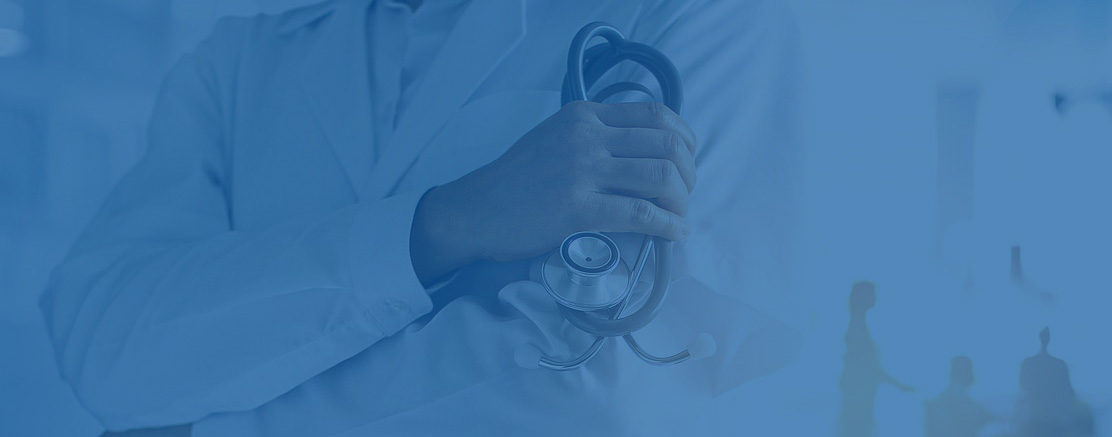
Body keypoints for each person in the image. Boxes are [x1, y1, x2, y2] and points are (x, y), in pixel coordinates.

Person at [37, 0, 802, 434]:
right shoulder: (240, 56)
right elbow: (106, 344)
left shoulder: (700, 15)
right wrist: (444, 224)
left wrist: (196, 419)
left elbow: (596, 392)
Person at [839, 281, 914, 437]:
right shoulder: (857, 328)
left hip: (860, 398)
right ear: (863, 298)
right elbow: (869, 367)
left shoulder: (858, 325)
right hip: (858, 400)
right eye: (872, 294)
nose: (875, 298)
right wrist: (900, 385)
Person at [1012, 327, 1095, 437]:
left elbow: (1022, 388)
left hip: (1036, 419)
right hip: (1054, 420)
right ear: (1049, 339)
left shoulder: (1029, 363)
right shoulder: (1059, 365)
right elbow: (1069, 391)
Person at [924, 356, 992, 437]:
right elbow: (982, 416)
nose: (972, 374)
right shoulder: (955, 398)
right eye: (969, 370)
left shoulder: (947, 397)